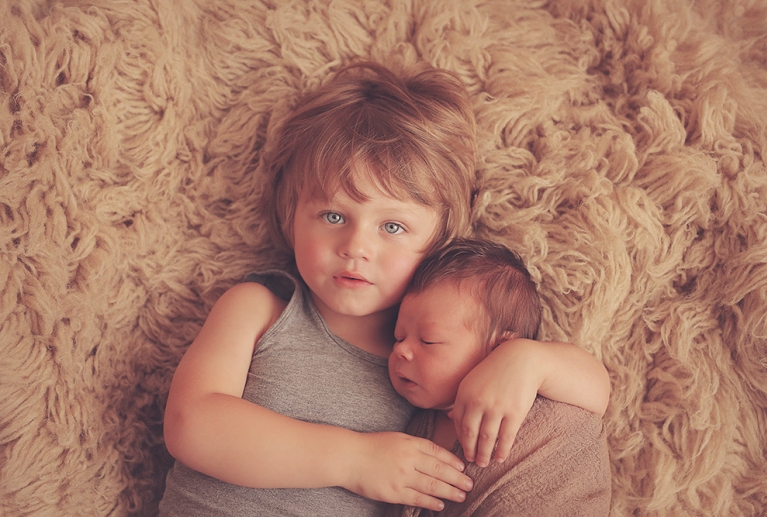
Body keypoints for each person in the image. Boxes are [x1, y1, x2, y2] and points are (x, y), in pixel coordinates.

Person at [159, 61, 610, 517]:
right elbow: (190, 424)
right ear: (290, 214)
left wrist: (530, 360)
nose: (356, 247)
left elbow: (592, 397)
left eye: (392, 226)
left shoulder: (440, 347)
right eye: (333, 216)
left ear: (440, 238)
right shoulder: (262, 307)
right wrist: (354, 460)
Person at [387, 239, 611, 516]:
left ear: (498, 349)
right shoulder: (414, 427)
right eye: (398, 337)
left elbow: (598, 394)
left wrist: (527, 358)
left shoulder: (539, 390)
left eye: (428, 340)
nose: (400, 350)